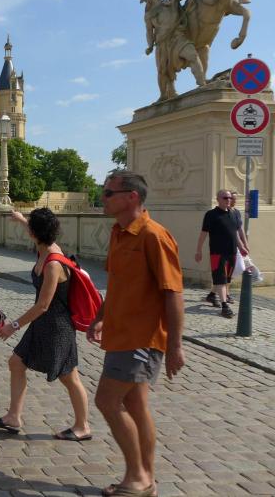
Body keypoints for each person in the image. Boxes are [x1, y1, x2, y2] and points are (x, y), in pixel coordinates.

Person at [88, 170, 185, 497]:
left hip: (141, 338)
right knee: (136, 405)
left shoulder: (153, 236)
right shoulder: (119, 232)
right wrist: (101, 316)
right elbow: (118, 283)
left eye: (108, 193)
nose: (102, 198)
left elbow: (173, 293)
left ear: (131, 197)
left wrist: (175, 346)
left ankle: (137, 477)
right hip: (121, 335)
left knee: (107, 400)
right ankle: (146, 479)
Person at [0, 209, 91, 441]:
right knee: (16, 363)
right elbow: (36, 231)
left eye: (30, 228)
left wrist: (13, 326)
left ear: (35, 233)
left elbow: (43, 305)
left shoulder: (53, 262)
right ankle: (13, 417)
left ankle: (83, 426)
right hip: (42, 325)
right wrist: (21, 220)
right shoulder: (45, 247)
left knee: (69, 376)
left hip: (57, 327)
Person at [195, 189, 243, 318]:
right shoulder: (211, 214)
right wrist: (198, 250)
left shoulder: (233, 214)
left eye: (230, 198)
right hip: (217, 253)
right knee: (221, 280)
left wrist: (242, 247)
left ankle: (211, 295)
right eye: (225, 198)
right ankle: (224, 306)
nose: (228, 200)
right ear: (218, 199)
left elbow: (235, 234)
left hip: (232, 252)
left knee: (225, 279)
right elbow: (203, 234)